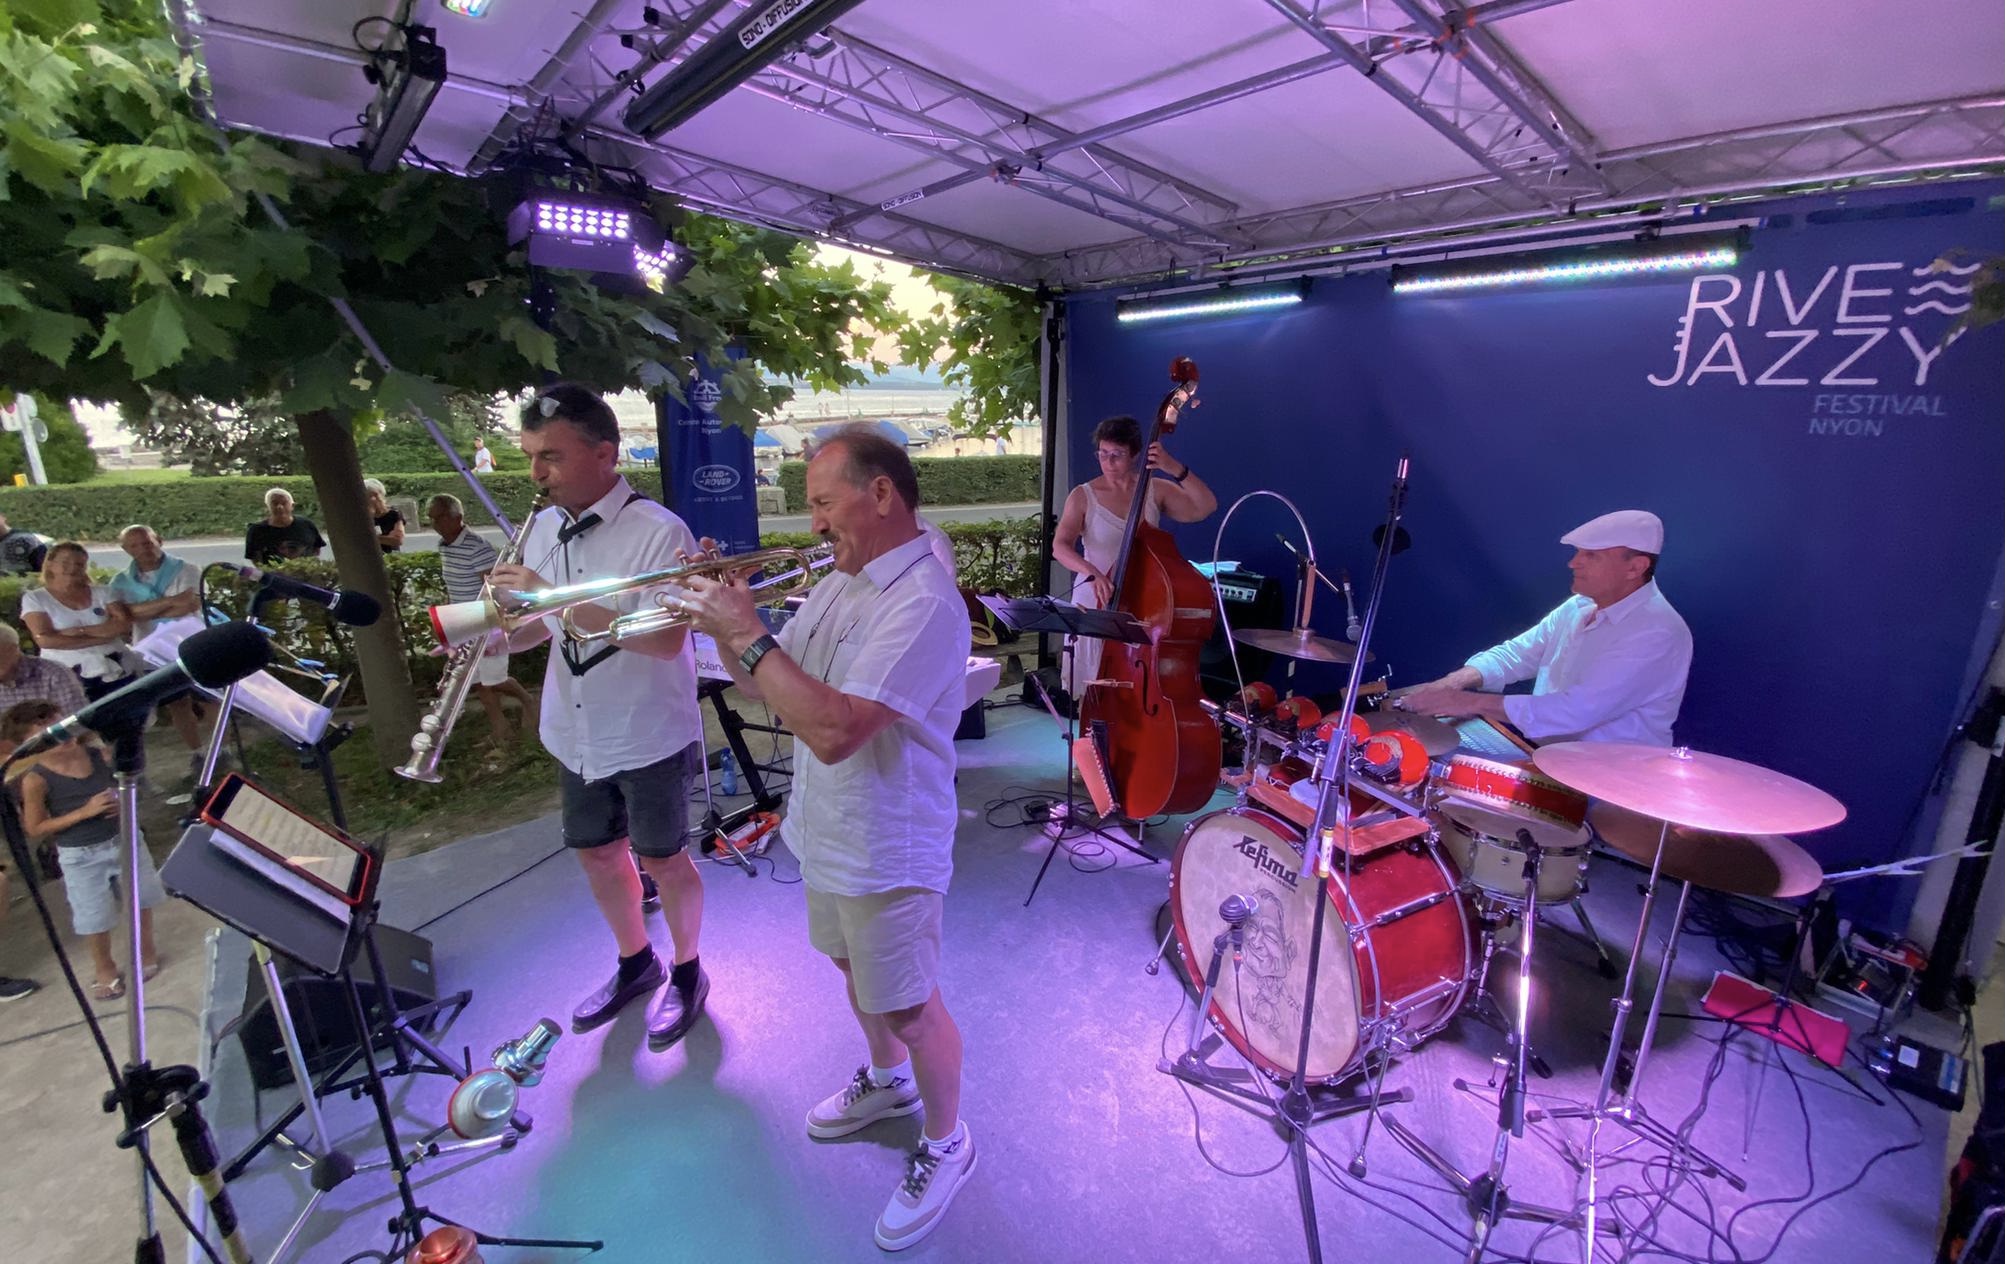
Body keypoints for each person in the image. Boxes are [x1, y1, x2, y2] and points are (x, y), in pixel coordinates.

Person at [677, 424, 976, 1252]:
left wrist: (748, 631)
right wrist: (727, 620)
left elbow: (836, 730)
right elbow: (774, 685)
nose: (811, 525)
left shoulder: (923, 602)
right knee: (852, 972)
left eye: (820, 503)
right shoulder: (846, 581)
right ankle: (887, 1083)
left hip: (888, 844)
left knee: (909, 1006)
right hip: (826, 827)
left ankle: (948, 1143)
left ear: (879, 494)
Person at [487, 384, 710, 1048]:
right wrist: (494, 634)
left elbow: (662, 639)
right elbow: (541, 629)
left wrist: (548, 596)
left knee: (663, 860)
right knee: (597, 854)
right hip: (575, 730)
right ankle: (634, 961)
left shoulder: (658, 531)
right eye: (530, 456)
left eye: (550, 457)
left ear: (606, 454)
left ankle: (688, 970)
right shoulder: (543, 528)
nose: (536, 473)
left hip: (646, 730)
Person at [1397, 510, 1692, 747]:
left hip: (1611, 782)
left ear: (1635, 568)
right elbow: (1517, 655)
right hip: (1552, 760)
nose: (1573, 563)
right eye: (1578, 552)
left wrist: (1464, 702)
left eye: (1591, 555)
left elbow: (1575, 712)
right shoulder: (1579, 606)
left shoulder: (1657, 632)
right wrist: (1452, 683)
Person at [5, 700, 165, 1002]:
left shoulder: (100, 755)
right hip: (80, 855)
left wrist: (122, 801)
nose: (63, 737)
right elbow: (35, 827)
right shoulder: (36, 779)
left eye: (63, 727)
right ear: (30, 745)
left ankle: (145, 950)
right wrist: (84, 812)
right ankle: (104, 967)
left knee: (140, 898)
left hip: (124, 839)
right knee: (94, 914)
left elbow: (128, 787)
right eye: (49, 735)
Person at [1050, 414, 1218, 695]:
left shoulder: (1154, 490)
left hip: (1143, 605)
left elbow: (1206, 506)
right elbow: (1060, 547)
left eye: (1117, 454)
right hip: (1094, 601)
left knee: (1135, 688)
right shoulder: (1083, 495)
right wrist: (1093, 572)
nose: (1108, 462)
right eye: (1103, 454)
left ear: (1135, 455)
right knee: (1090, 694)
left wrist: (1173, 468)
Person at [427, 494, 536, 747]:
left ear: (457, 517)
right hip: (460, 621)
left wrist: (492, 625)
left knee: (494, 679)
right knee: (474, 681)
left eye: (439, 517)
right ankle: (500, 732)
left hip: (483, 620)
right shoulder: (444, 546)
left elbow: (494, 590)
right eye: (431, 518)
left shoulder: (477, 547)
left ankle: (528, 700)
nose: (434, 524)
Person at [108, 525, 208, 767]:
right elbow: (125, 616)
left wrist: (141, 610)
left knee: (211, 698)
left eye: (147, 543)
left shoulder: (187, 569)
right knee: (177, 702)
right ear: (125, 550)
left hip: (192, 643)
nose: (143, 549)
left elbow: (189, 605)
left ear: (159, 541)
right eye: (134, 545)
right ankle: (198, 752)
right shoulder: (120, 581)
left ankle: (222, 749)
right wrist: (171, 601)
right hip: (152, 650)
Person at [20, 542, 136, 703]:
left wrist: (80, 631)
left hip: (118, 666)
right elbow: (45, 639)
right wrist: (103, 635)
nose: (73, 568)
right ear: (50, 564)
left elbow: (123, 625)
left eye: (79, 564)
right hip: (68, 674)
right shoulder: (35, 598)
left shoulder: (103, 592)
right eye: (66, 563)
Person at [244, 488, 325, 565]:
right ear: (267, 507)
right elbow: (254, 558)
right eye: (274, 503)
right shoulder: (256, 531)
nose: (280, 507)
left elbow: (317, 547)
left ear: (292, 506)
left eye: (284, 503)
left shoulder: (306, 524)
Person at [365, 479, 405, 553]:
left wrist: (370, 538)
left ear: (376, 495)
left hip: (390, 555)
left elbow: (397, 540)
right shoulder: (363, 516)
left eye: (367, 496)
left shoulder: (393, 514)